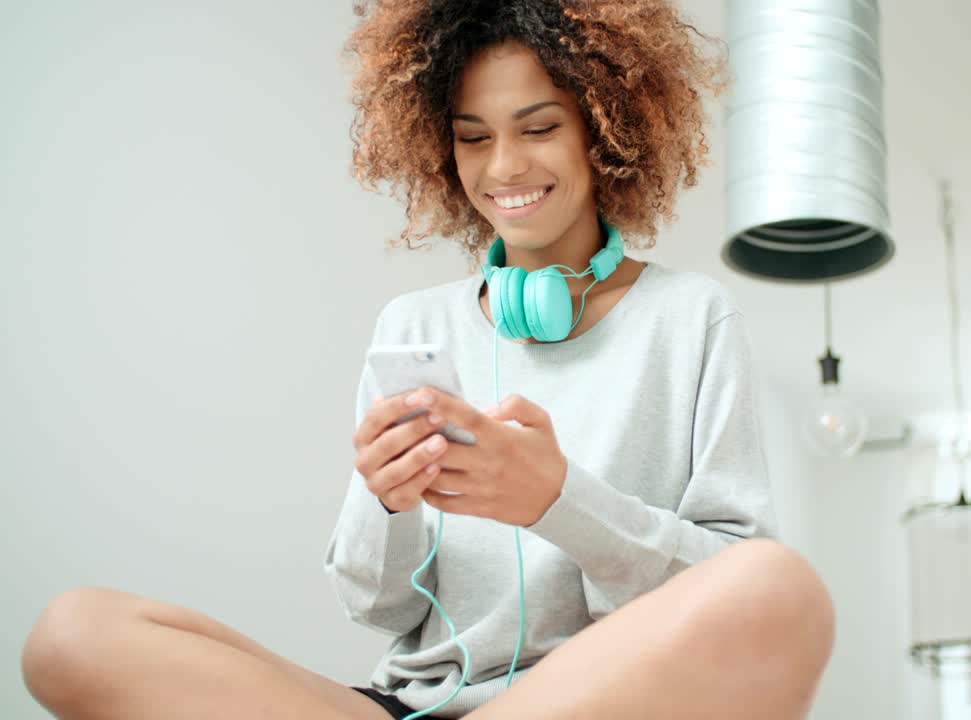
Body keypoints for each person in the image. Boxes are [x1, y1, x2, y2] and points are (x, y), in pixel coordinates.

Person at [20, 1, 835, 718]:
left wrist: (558, 500)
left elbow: (730, 579)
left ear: (605, 129)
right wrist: (385, 499)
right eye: (473, 139)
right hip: (407, 702)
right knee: (71, 636)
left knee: (778, 590)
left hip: (603, 698)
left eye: (540, 127)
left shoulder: (690, 318)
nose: (504, 168)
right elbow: (372, 605)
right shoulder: (415, 326)